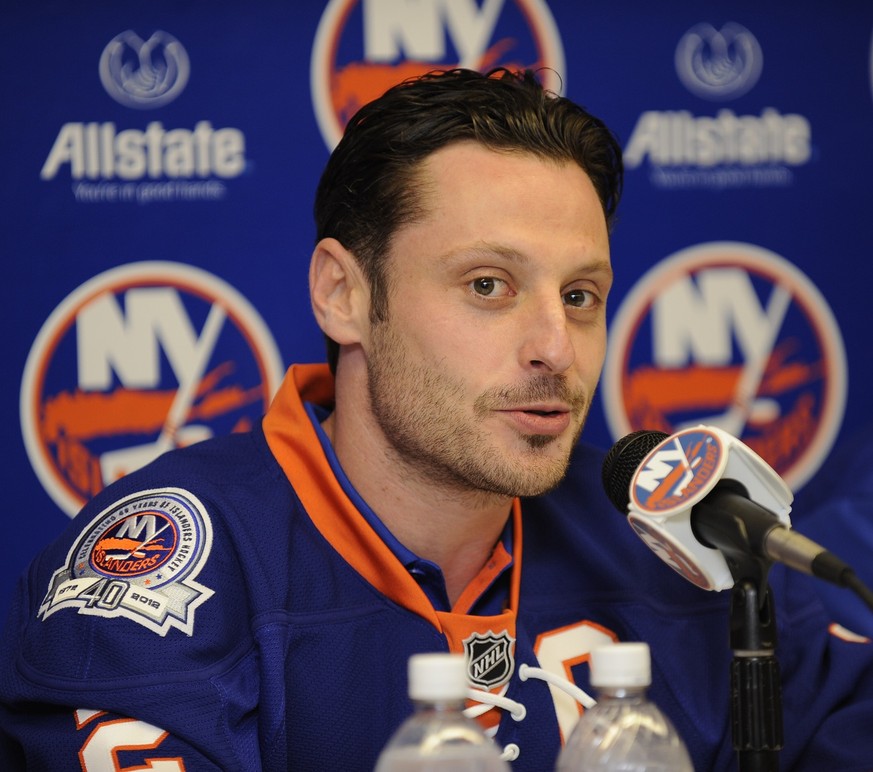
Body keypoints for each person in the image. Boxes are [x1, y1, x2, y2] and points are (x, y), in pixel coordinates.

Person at [1, 68, 872, 771]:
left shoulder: (660, 534)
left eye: (579, 296)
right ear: (344, 294)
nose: (552, 348)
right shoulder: (176, 562)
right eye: (486, 285)